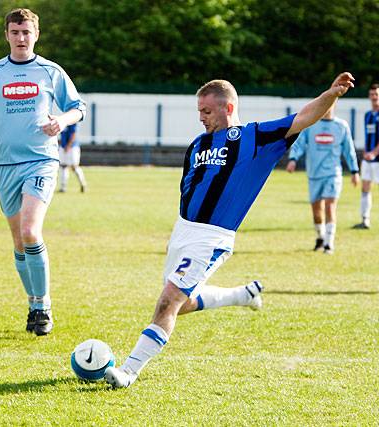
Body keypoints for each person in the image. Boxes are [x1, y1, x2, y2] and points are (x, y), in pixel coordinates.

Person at [104, 72, 355, 388]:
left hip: (211, 238)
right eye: (199, 112)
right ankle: (243, 295)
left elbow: (303, 118)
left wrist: (331, 94)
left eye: (206, 111)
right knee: (182, 303)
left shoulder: (254, 138)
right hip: (182, 232)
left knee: (168, 302)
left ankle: (128, 371)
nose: (201, 118)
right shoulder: (197, 144)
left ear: (228, 107)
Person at [0, 8, 86, 336]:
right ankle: (33, 304)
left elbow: (77, 107)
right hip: (4, 165)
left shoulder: (50, 71)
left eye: (26, 32)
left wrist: (62, 121)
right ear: (7, 35)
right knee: (18, 241)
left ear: (36, 34)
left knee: (30, 231)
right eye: (15, 33)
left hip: (41, 160)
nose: (21, 38)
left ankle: (43, 306)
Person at [286, 104, 359, 254]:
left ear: (335, 105)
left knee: (330, 207)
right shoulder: (311, 126)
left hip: (333, 174)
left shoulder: (341, 126)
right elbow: (299, 144)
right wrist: (293, 159)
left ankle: (329, 244)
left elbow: (349, 149)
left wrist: (354, 170)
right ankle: (320, 237)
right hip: (314, 174)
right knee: (316, 211)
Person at [353, 84, 379, 229]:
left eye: (376, 94)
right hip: (368, 158)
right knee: (365, 188)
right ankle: (365, 220)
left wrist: (374, 153)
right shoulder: (368, 115)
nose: (374, 97)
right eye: (372, 94)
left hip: (377, 159)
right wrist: (365, 151)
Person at [58, 123, 87, 192]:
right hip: (63, 146)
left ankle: (82, 184)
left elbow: (74, 134)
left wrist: (69, 145)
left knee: (74, 167)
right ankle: (63, 187)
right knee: (63, 166)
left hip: (72, 147)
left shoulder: (73, 121)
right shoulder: (63, 121)